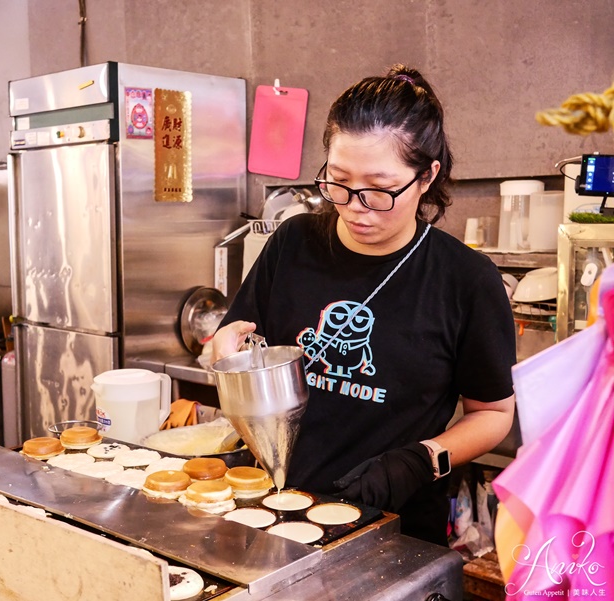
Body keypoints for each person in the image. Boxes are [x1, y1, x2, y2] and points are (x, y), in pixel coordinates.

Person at [211, 64, 516, 546]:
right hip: (276, 509)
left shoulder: (465, 279)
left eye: (378, 189)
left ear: (426, 176)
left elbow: (494, 414)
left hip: (393, 528)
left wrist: (421, 459)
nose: (354, 206)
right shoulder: (293, 243)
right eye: (337, 182)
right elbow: (240, 347)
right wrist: (225, 358)